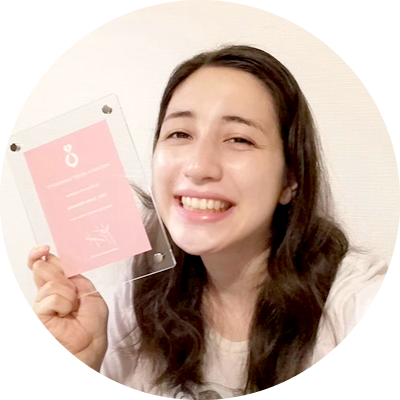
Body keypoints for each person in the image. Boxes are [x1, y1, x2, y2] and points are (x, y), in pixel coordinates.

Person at [28, 45, 400, 400]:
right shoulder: (130, 305)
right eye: (180, 134)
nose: (198, 166)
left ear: (290, 178)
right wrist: (81, 361)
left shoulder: (366, 311)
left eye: (239, 139)